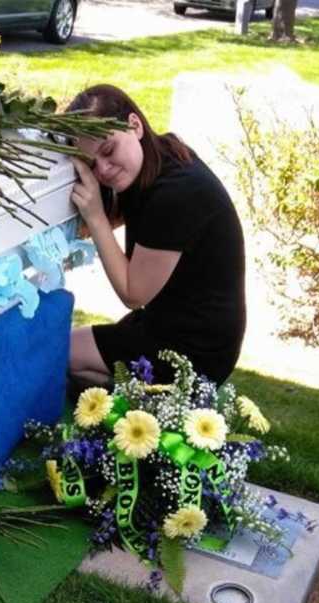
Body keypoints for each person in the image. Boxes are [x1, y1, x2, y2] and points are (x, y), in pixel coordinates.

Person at [65, 84, 246, 389]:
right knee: (74, 365)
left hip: (194, 347)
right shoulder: (161, 154)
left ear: (134, 125)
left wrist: (95, 215)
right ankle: (142, 397)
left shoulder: (176, 194)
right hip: (181, 322)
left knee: (61, 355)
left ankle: (157, 399)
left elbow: (133, 294)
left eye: (108, 151)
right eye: (92, 164)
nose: (104, 171)